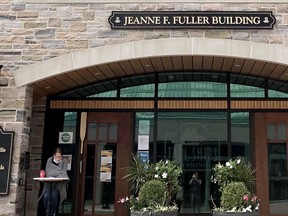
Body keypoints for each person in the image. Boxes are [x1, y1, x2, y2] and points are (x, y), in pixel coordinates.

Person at [42, 147, 69, 216]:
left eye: (60, 157)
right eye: (57, 156)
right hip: (48, 185)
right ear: (54, 156)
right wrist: (59, 173)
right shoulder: (49, 161)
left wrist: (56, 173)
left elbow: (64, 174)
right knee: (46, 196)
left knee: (54, 196)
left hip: (59, 185)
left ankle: (53, 212)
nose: (58, 158)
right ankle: (47, 212)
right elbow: (48, 172)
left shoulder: (64, 161)